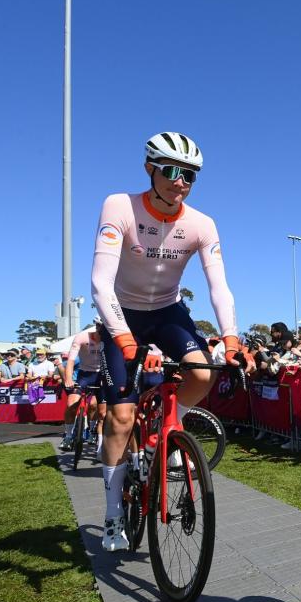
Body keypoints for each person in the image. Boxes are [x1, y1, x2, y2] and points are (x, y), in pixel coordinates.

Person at [90, 131, 252, 553]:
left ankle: (167, 429)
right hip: (121, 313)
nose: (181, 181)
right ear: (150, 168)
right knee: (121, 419)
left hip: (167, 312)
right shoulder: (118, 205)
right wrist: (123, 337)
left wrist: (232, 340)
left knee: (202, 371)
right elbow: (99, 282)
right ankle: (111, 516)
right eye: (172, 171)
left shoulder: (201, 223)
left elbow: (219, 287)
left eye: (190, 175)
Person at [60, 324, 106, 452]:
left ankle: (91, 432)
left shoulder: (109, 339)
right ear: (97, 326)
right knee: (71, 404)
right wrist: (68, 379)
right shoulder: (82, 337)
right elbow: (70, 361)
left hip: (101, 374)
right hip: (84, 375)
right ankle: (68, 437)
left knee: (94, 406)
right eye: (101, 327)